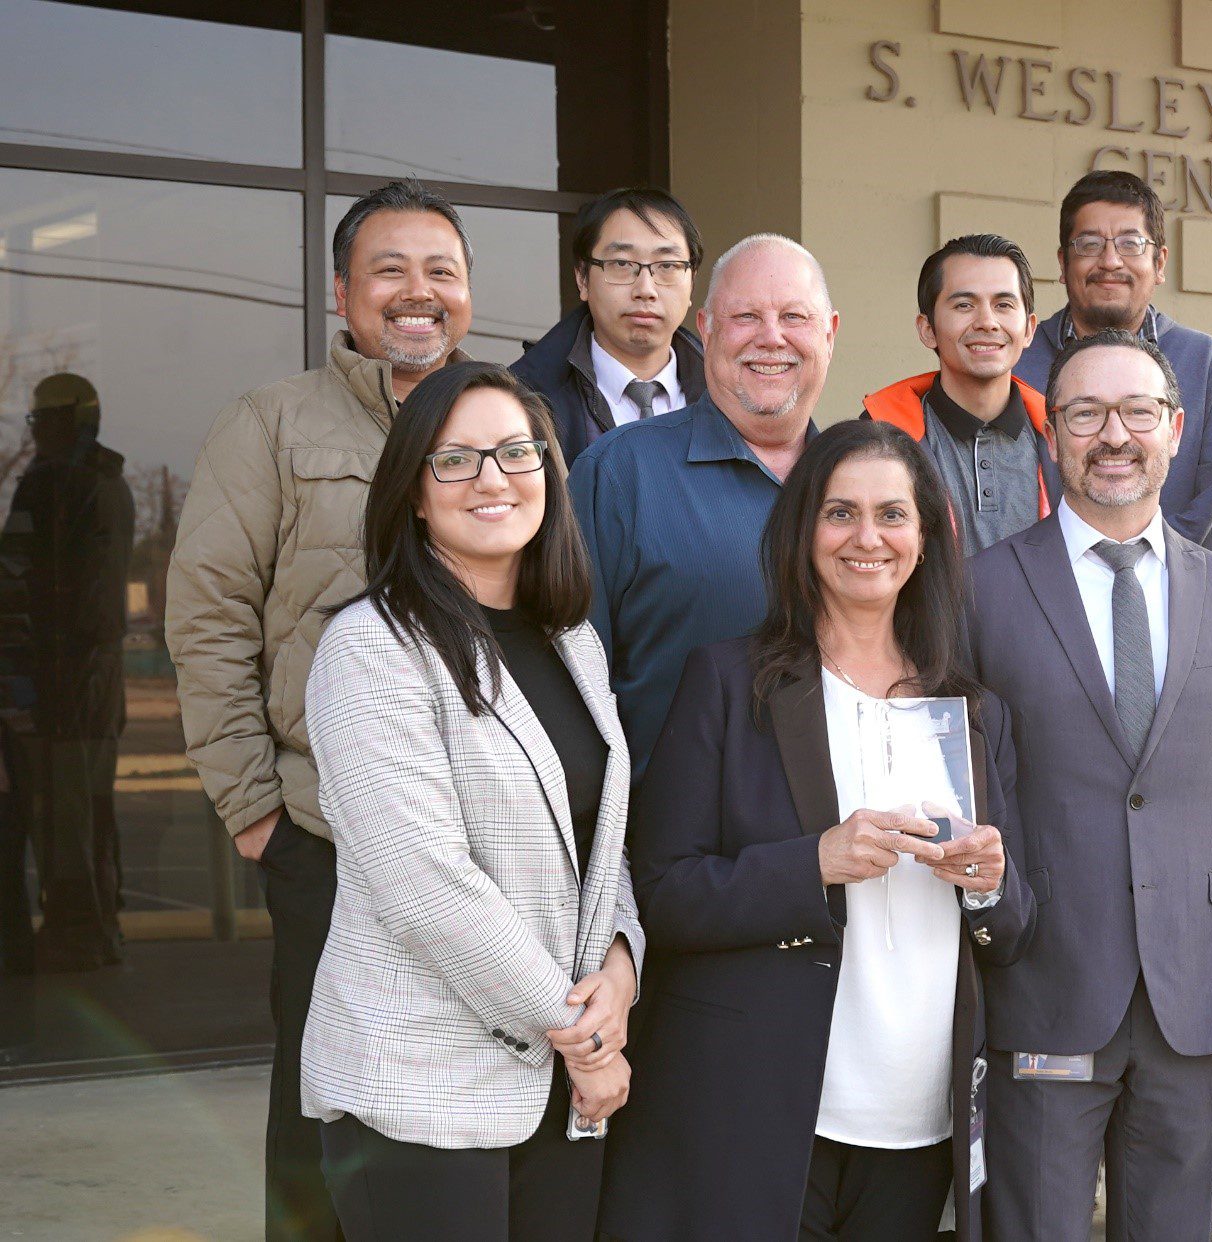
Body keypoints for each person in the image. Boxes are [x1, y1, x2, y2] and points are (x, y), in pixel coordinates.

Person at [598, 419, 1033, 1240]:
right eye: (839, 513)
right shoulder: (730, 683)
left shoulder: (973, 714)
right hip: (765, 1109)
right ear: (802, 533)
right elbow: (663, 892)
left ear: (927, 537)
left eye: (891, 515)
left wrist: (990, 884)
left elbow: (1012, 929)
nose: (866, 538)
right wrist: (815, 863)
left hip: (916, 1121)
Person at [970, 329, 1212, 1242]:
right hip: (1040, 986)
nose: (1114, 435)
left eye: (1138, 412)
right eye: (1085, 412)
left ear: (1175, 429)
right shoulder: (978, 590)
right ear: (1050, 433)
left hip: (1197, 999)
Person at [166, 178, 474, 1242]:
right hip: (325, 841)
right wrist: (254, 808)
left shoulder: (504, 423)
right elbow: (206, 617)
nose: (416, 292)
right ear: (344, 292)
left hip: (482, 846)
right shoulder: (273, 424)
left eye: (440, 270)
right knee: (322, 1114)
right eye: (390, 269)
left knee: (469, 1109)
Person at [301, 362, 643, 1241]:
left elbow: (602, 840)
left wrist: (620, 971)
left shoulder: (571, 639)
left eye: (516, 452)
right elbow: (427, 889)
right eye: (456, 460)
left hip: (556, 1092)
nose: (493, 478)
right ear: (413, 493)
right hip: (419, 1091)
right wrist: (585, 1037)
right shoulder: (371, 649)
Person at [570, 233, 833, 781]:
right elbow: (570, 689)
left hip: (846, 843)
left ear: (829, 332)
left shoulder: (865, 487)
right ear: (707, 328)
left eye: (794, 317)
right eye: (745, 316)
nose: (771, 338)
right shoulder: (619, 474)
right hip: (671, 849)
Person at [1013, 171, 1212, 557]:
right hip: (1037, 597)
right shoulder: (1016, 366)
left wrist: (1136, 570)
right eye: (1089, 244)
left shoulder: (1211, 368)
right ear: (1063, 264)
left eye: (1131, 243)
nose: (1110, 261)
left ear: (1159, 262)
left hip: (1174, 600)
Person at [0, 374, 134, 973]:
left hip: (58, 684)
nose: (35, 435)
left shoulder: (52, 483)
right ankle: (96, 932)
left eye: (38, 423)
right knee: (89, 813)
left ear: (63, 422)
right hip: (97, 684)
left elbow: (16, 581)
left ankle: (74, 940)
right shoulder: (112, 483)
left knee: (62, 820)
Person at [862, 233, 1059, 555]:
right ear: (928, 329)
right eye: (964, 305)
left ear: (1029, 329)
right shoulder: (879, 435)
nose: (987, 322)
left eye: (1004, 305)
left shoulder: (1062, 439)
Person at [510, 188, 707, 464]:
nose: (646, 289)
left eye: (667, 265)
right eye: (622, 264)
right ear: (582, 279)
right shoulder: (525, 398)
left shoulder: (728, 392)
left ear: (692, 282)